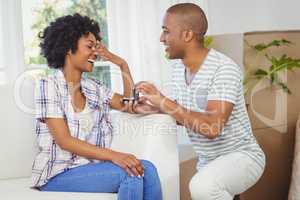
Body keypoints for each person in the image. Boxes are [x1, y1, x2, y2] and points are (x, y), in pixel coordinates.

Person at [134, 3, 265, 200]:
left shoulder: (224, 69)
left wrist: (163, 101)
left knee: (203, 187)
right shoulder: (179, 69)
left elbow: (212, 127)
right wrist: (153, 107)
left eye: (166, 32)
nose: (162, 39)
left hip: (243, 157)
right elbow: (187, 116)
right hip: (209, 163)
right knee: (203, 186)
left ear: (187, 35)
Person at [31, 13, 162, 200]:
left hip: (89, 169)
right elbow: (64, 140)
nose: (95, 53)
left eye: (96, 46)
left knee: (147, 168)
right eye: (89, 46)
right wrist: (115, 156)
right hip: (57, 173)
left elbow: (129, 105)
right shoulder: (48, 85)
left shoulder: (94, 87)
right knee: (131, 171)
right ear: (68, 47)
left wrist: (122, 64)